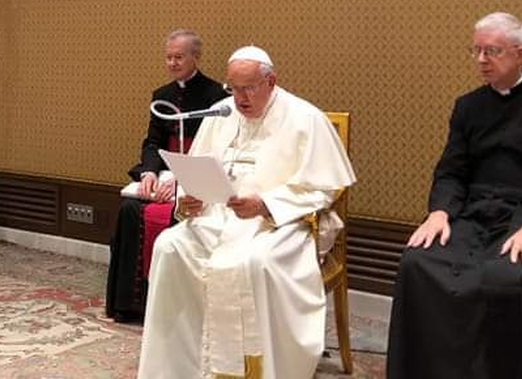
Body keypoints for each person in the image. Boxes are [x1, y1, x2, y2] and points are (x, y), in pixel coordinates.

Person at [386, 12, 522, 379]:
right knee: (417, 264)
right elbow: (452, 171)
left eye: (492, 51)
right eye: (477, 50)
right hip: (476, 216)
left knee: (512, 279)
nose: (481, 60)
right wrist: (439, 213)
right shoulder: (468, 106)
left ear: (520, 54)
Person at [137, 46, 355, 379]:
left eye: (248, 88)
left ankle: (261, 370)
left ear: (271, 81)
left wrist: (265, 204)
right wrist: (189, 199)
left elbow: (325, 189)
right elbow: (196, 169)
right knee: (169, 246)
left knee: (254, 263)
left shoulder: (305, 119)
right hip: (217, 218)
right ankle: (178, 368)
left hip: (280, 223)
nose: (239, 98)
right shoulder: (221, 113)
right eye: (233, 88)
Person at [105, 29, 228, 323]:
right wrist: (150, 173)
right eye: (168, 57)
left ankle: (174, 309)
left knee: (178, 214)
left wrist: (181, 179)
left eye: (179, 57)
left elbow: (217, 148)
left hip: (196, 179)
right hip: (163, 174)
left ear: (195, 58)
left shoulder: (218, 96)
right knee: (131, 209)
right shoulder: (162, 95)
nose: (172, 63)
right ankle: (131, 305)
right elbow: (153, 142)